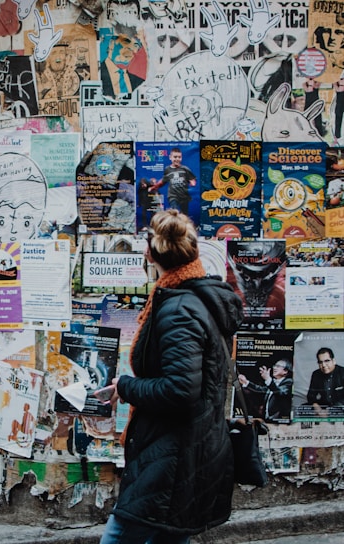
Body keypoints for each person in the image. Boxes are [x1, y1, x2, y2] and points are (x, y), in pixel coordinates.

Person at [100, 209, 243, 544]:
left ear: (150, 254)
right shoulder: (196, 297)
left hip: (173, 453)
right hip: (188, 447)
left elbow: (181, 389)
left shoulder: (179, 309)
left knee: (121, 535)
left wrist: (127, 386)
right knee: (170, 535)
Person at [149, 147, 196, 216]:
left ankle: (183, 225)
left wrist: (192, 183)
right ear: (170, 157)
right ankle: (174, 225)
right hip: (173, 196)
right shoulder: (168, 169)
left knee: (184, 214)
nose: (177, 159)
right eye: (175, 157)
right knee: (175, 212)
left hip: (183, 195)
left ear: (181, 158)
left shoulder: (185, 169)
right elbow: (163, 181)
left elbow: (192, 178)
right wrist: (154, 187)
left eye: (179, 157)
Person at [100, 27, 146, 98]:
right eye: (127, 42)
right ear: (111, 44)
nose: (132, 49)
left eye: (136, 45)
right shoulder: (96, 73)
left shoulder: (139, 82)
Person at [306, 347, 344, 416]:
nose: (323, 365)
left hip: (340, 406)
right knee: (302, 409)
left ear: (334, 361)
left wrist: (329, 411)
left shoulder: (342, 372)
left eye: (327, 361)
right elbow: (311, 395)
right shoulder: (316, 374)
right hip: (324, 405)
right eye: (320, 362)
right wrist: (318, 409)